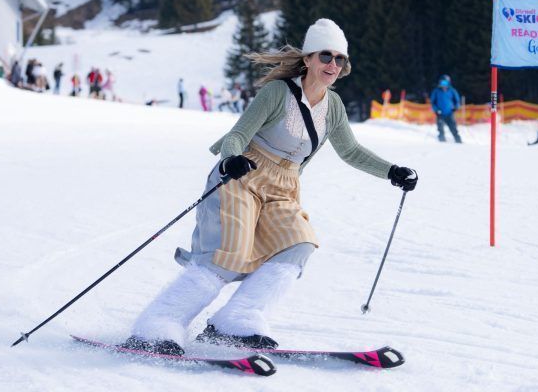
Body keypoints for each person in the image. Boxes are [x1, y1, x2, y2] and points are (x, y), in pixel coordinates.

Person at [121, 18, 418, 356]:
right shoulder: (278, 93)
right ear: (307, 58)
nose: (332, 65)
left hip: (284, 187)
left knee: (298, 243)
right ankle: (160, 322)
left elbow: (349, 151)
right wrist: (231, 159)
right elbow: (236, 135)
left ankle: (237, 318)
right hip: (242, 175)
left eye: (340, 59)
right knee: (227, 252)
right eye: (325, 56)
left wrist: (391, 171)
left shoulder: (332, 106)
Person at [430, 75, 462, 143]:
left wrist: (456, 107)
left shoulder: (452, 90)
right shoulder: (436, 91)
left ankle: (458, 141)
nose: (444, 85)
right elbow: (432, 102)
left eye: (445, 83)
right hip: (440, 113)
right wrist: (436, 110)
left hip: (449, 113)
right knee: (440, 129)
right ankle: (442, 142)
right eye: (442, 83)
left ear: (448, 83)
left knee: (453, 128)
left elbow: (457, 101)